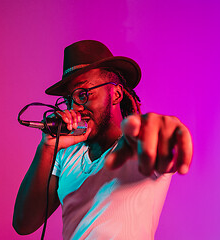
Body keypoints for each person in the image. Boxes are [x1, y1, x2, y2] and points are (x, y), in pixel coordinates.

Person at [13, 40, 193, 239]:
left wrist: (168, 134)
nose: (75, 107)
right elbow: (24, 223)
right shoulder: (65, 153)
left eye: (83, 94)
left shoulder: (137, 146)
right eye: (68, 99)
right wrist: (46, 146)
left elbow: (165, 151)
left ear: (115, 94)